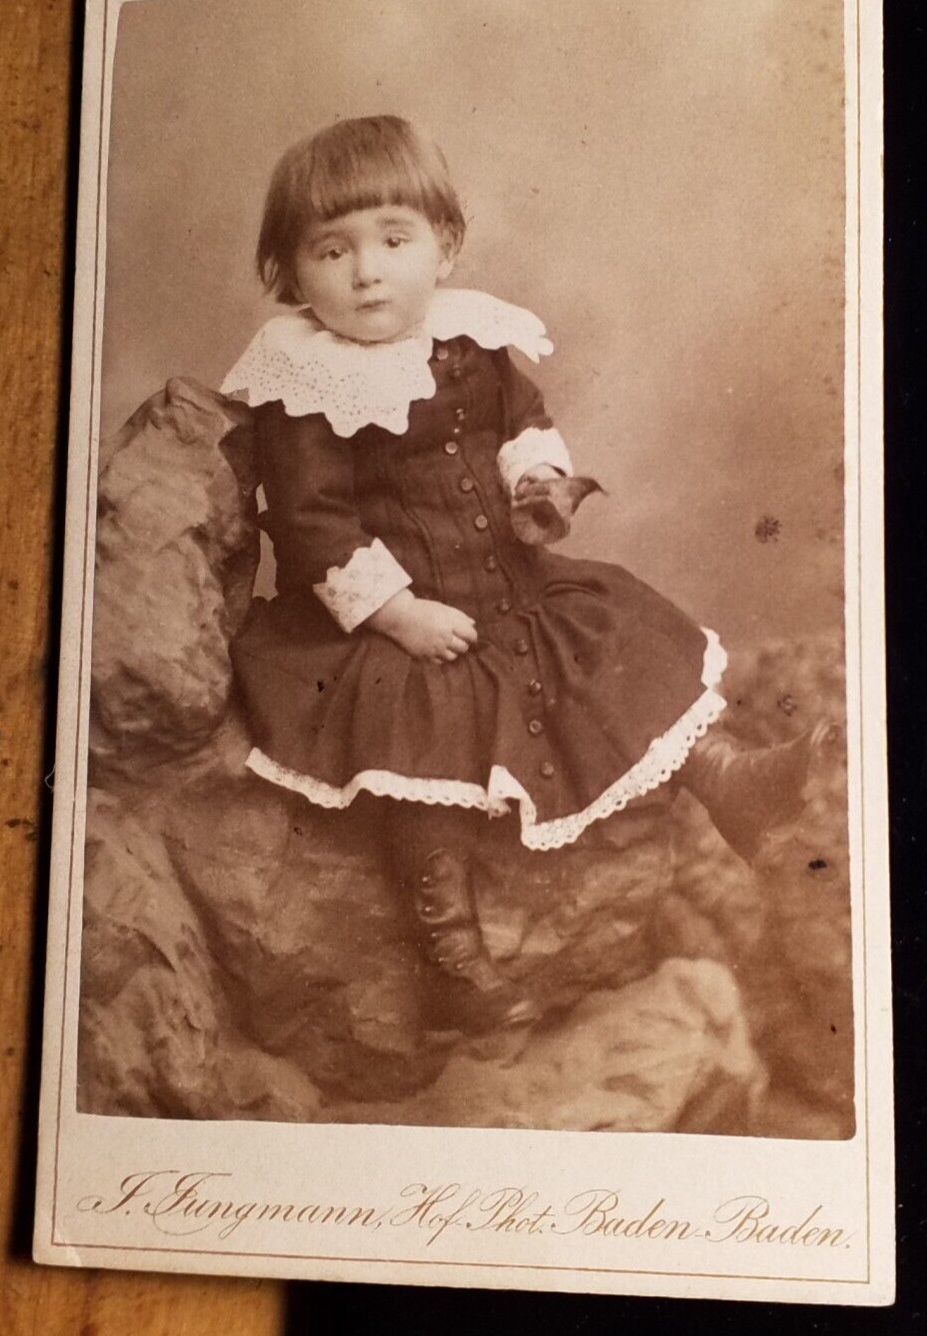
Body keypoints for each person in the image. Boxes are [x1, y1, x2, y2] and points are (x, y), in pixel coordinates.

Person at [221, 115, 827, 1035]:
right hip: (390, 622)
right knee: (422, 749)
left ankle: (726, 780)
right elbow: (309, 523)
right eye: (330, 250)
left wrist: (539, 482)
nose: (367, 272)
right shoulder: (305, 383)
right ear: (290, 274)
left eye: (394, 240)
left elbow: (523, 424)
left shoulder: (467, 340)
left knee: (617, 639)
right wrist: (395, 614)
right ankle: (450, 957)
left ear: (446, 245)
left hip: (510, 586)